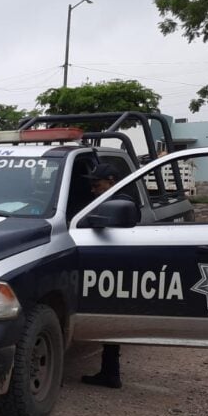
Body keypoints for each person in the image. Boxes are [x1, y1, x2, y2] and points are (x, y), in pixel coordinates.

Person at [81, 162, 128, 389]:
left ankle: (111, 373)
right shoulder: (110, 200)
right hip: (109, 265)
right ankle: (110, 372)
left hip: (117, 266)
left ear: (111, 181)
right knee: (111, 318)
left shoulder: (121, 203)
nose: (92, 189)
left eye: (96, 184)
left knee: (112, 318)